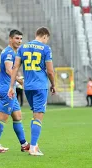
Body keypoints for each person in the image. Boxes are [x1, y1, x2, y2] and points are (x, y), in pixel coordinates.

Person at [8, 27, 55, 156]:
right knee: (38, 116)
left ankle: (35, 144)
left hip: (27, 87)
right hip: (40, 86)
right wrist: (53, 84)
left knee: (35, 116)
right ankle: (33, 147)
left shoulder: (23, 48)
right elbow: (50, 71)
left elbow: (15, 67)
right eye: (47, 39)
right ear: (45, 36)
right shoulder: (45, 49)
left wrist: (12, 86)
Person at [0, 30, 30, 154]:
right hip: (7, 90)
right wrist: (19, 80)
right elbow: (7, 70)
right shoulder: (8, 53)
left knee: (17, 117)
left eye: (20, 39)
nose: (19, 41)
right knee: (1, 119)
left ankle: (24, 144)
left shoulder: (10, 52)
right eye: (17, 38)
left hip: (7, 88)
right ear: (10, 39)